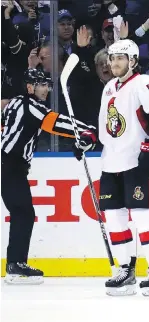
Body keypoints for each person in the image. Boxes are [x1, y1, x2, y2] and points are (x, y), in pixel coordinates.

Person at [78, 39, 149, 297]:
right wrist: (88, 139)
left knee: (143, 216)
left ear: (132, 61)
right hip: (111, 163)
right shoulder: (109, 87)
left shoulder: (145, 83)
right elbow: (105, 127)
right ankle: (126, 270)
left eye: (120, 58)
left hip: (137, 162)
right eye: (112, 58)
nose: (114, 63)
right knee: (114, 218)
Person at [1, 68, 97, 285]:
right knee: (23, 212)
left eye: (47, 84)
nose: (46, 89)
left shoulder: (14, 103)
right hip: (11, 165)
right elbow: (57, 123)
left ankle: (15, 264)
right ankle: (15, 265)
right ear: (30, 87)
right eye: (41, 84)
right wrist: (87, 130)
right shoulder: (33, 107)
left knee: (22, 212)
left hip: (7, 164)